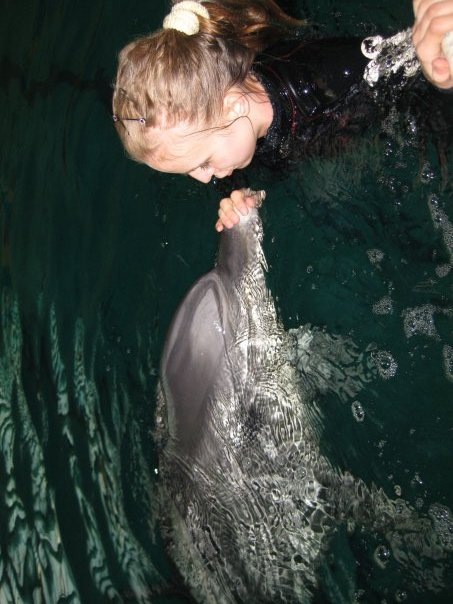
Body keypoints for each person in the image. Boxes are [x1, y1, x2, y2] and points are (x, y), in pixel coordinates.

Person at [112, 0, 453, 232]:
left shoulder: (327, 75)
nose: (203, 180)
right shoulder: (229, 140)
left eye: (202, 163)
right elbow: (236, 173)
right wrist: (243, 197)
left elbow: (404, 62)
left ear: (233, 107)